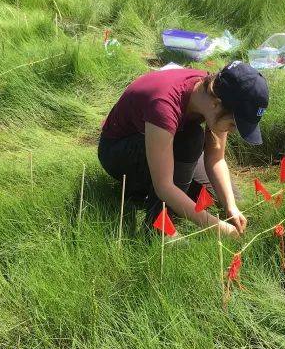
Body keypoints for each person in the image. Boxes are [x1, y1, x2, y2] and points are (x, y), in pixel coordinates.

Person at [98, 61, 269, 237]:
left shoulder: (214, 92)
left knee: (225, 196)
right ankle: (157, 229)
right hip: (118, 151)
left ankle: (146, 192)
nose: (233, 131)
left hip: (167, 139)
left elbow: (216, 159)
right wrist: (216, 227)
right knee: (191, 139)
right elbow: (164, 186)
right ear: (216, 105)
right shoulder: (164, 105)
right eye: (233, 124)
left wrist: (230, 206)